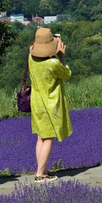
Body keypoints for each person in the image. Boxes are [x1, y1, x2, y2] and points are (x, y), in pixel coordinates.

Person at [29, 27, 72, 182]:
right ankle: (40, 174)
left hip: (36, 102)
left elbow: (33, 49)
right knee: (48, 138)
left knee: (41, 137)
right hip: (50, 103)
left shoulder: (31, 58)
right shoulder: (53, 63)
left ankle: (42, 170)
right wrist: (62, 56)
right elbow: (66, 74)